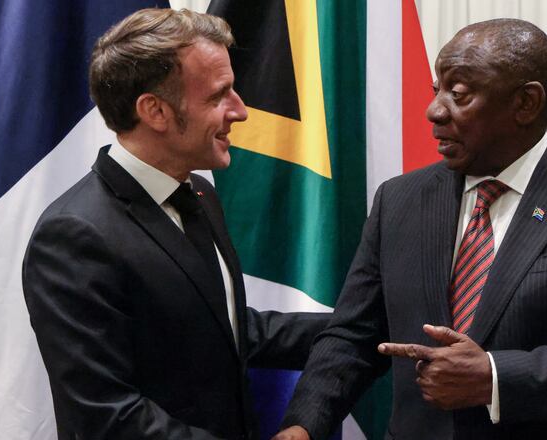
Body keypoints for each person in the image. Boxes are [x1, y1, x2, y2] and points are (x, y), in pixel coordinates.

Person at [274, 18, 547, 440]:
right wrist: (303, 424)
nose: (434, 110)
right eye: (437, 90)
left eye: (459, 94)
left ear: (526, 103)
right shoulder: (400, 200)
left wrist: (495, 377)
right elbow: (354, 334)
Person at [22, 8, 328, 440]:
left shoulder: (200, 194)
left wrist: (367, 325)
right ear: (155, 111)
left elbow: (224, 326)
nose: (240, 111)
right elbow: (108, 417)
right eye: (219, 95)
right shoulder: (72, 236)